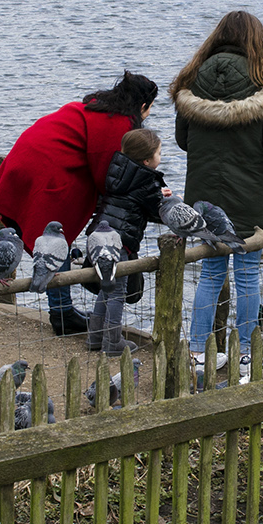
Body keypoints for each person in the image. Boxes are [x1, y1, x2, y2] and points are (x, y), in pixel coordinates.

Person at [172, 11, 263, 365]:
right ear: (255, 41)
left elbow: (182, 140)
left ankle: (199, 352)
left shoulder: (192, 78)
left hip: (204, 198)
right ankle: (246, 354)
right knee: (247, 277)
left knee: (212, 274)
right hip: (253, 196)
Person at [0, 70, 159, 335]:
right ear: (143, 105)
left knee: (51, 240)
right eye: (149, 109)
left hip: (25, 159)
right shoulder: (119, 123)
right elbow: (110, 176)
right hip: (46, 171)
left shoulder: (95, 108)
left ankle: (62, 309)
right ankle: (62, 314)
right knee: (55, 240)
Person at [85, 127, 169, 356]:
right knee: (118, 291)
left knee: (106, 285)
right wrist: (167, 198)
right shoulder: (146, 181)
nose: (161, 158)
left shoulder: (117, 170)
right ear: (147, 160)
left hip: (98, 233)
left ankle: (95, 336)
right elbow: (157, 209)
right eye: (159, 153)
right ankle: (112, 341)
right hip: (119, 241)